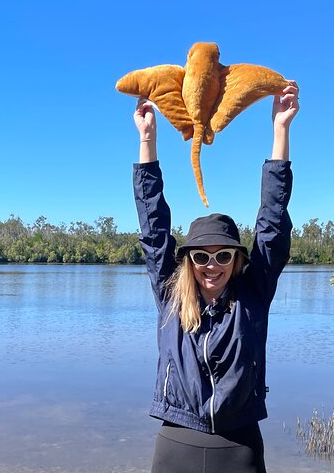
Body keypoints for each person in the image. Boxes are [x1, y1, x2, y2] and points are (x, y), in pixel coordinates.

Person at [131, 81, 299, 473]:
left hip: (239, 444)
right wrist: (147, 141)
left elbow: (272, 224)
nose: (212, 264)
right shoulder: (171, 293)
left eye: (224, 254)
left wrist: (281, 131)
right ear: (187, 260)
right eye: (201, 256)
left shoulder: (252, 294)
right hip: (177, 440)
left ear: (237, 259)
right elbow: (153, 226)